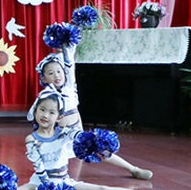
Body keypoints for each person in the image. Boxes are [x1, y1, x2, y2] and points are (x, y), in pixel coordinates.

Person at [10, 88, 176, 190]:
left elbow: (78, 136)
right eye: (42, 110)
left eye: (51, 112)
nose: (45, 115)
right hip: (40, 183)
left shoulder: (64, 133)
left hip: (65, 182)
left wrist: (93, 140)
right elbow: (39, 167)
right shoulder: (31, 139)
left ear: (59, 117)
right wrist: (48, 188)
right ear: (35, 111)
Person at [36, 41, 153, 180]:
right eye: (51, 73)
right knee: (60, 176)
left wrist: (67, 48)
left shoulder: (69, 88)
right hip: (59, 139)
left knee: (99, 149)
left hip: (76, 133)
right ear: (43, 78)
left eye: (59, 71)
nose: (57, 76)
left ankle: (134, 169)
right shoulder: (46, 96)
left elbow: (69, 65)